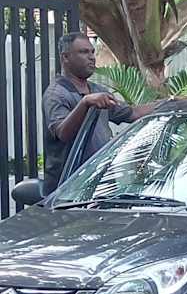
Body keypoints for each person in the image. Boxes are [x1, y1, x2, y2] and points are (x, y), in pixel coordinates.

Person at [42, 32, 158, 194]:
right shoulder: (56, 94)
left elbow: (132, 113)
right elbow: (63, 133)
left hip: (101, 184)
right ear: (65, 57)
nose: (91, 57)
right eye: (84, 52)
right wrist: (85, 103)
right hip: (68, 190)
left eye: (92, 52)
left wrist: (170, 102)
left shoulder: (97, 90)